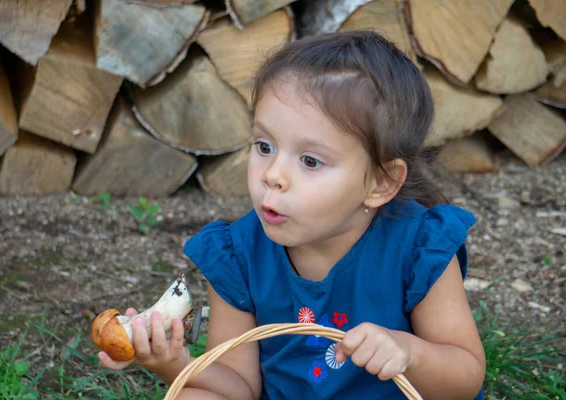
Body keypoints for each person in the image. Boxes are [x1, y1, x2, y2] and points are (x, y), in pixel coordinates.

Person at [99, 30, 487, 400]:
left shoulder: (418, 248)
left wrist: (409, 353)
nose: (272, 175)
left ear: (381, 183)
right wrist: (175, 363)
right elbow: (238, 386)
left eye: (310, 160)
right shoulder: (239, 256)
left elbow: (465, 378)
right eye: (264, 146)